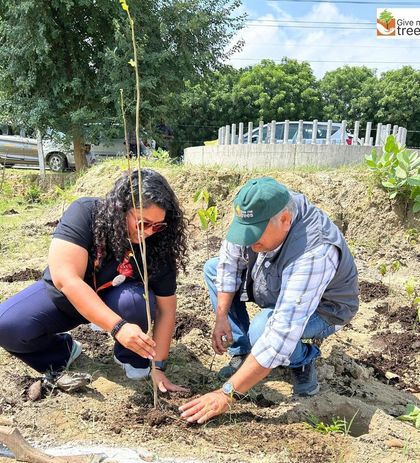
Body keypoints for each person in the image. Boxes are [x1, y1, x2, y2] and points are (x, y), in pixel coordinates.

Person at [179, 177, 359, 424]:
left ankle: (304, 359)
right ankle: (243, 353)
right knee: (212, 268)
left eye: (255, 236)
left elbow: (280, 334)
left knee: (264, 329)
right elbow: (228, 264)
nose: (250, 244)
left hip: (325, 309)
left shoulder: (315, 251)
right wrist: (222, 316)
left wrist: (226, 394)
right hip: (276, 281)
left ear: (285, 220)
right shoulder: (258, 211)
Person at [0, 168, 188, 393]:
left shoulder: (158, 246)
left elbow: (167, 309)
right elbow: (66, 280)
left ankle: (129, 356)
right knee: (8, 326)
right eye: (142, 223)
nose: (148, 232)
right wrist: (118, 327)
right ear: (121, 209)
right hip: (66, 299)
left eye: (157, 226)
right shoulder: (86, 213)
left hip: (116, 301)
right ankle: (63, 351)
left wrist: (158, 365)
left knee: (138, 301)